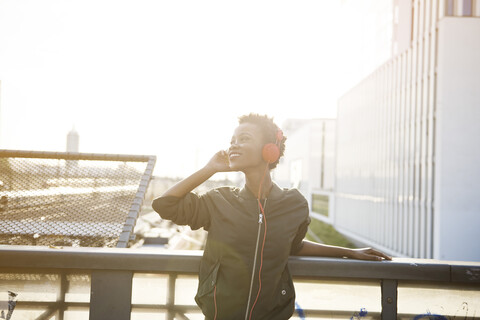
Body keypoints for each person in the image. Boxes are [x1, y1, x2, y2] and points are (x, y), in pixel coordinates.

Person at [152, 113, 391, 320]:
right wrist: (209, 169)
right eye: (232, 141)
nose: (233, 146)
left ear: (270, 150)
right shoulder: (219, 201)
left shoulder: (294, 204)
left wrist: (347, 252)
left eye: (244, 139)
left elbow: (294, 246)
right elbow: (165, 205)